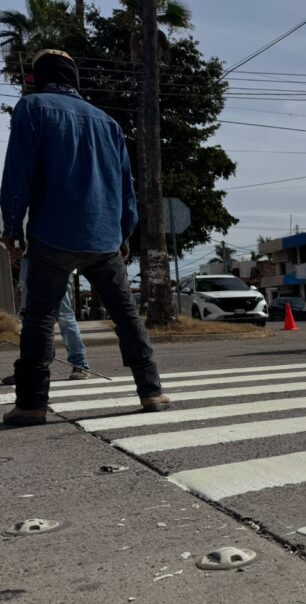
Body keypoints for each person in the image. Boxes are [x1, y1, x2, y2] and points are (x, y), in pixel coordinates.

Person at [1, 49, 168, 427]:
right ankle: (151, 391)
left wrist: (13, 228)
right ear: (75, 80)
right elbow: (126, 186)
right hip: (104, 238)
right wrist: (124, 232)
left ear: (37, 78)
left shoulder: (32, 108)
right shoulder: (108, 123)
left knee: (41, 318)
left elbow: (18, 173)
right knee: (126, 316)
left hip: (52, 235)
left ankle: (32, 403)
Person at [1, 259, 90, 385]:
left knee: (64, 316)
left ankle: (80, 364)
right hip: (32, 258)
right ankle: (28, 368)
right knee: (28, 315)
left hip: (60, 257)